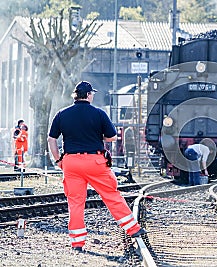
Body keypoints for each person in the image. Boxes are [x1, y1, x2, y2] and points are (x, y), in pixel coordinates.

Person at [47, 81, 146, 251]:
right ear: (88, 95)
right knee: (111, 195)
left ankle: (77, 243)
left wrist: (58, 160)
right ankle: (133, 229)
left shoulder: (62, 114)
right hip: (95, 161)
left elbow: (51, 139)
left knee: (75, 202)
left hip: (71, 162)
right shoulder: (99, 113)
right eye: (92, 93)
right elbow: (112, 137)